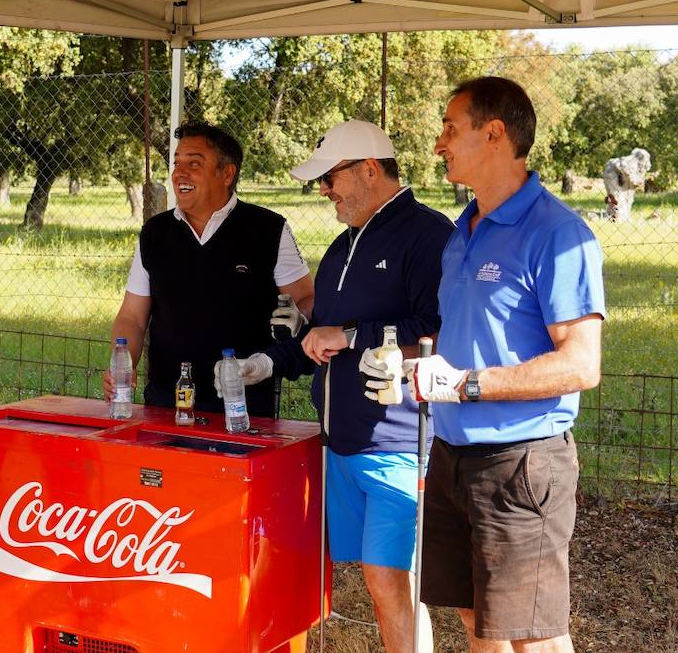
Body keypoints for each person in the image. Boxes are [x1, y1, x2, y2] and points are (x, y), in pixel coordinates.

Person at [407, 77, 603, 653]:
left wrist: (467, 385)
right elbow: (466, 334)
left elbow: (581, 364)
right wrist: (415, 366)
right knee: (475, 622)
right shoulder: (461, 231)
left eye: (450, 128)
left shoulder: (557, 232)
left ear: (494, 134)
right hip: (451, 454)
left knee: (533, 639)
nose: (438, 143)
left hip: (520, 461)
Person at [271, 120, 452, 653]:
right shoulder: (341, 245)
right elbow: (321, 335)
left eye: (330, 178)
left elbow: (437, 328)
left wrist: (352, 336)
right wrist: (269, 360)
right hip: (337, 443)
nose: (324, 190)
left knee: (391, 579)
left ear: (370, 170)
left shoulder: (428, 234)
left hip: (399, 441)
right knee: (369, 581)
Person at [107, 122, 313, 417]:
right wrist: (121, 365)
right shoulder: (154, 233)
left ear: (227, 174)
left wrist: (296, 321)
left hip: (243, 405)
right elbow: (132, 317)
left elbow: (306, 299)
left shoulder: (268, 229)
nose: (180, 173)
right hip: (168, 403)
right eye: (177, 163)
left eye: (194, 163)